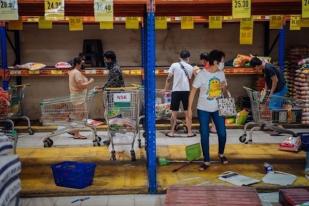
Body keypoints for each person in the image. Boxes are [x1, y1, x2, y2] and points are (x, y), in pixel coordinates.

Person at [188, 50, 228, 171]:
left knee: (222, 133)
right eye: (222, 61)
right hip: (203, 109)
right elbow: (193, 92)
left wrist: (224, 87)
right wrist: (189, 109)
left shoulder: (221, 73)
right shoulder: (202, 74)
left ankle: (221, 154)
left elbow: (225, 90)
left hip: (217, 108)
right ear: (215, 61)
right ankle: (206, 160)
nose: (223, 63)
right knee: (204, 134)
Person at [164, 50, 194, 137]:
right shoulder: (190, 67)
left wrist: (166, 89)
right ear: (188, 58)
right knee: (187, 112)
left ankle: (172, 132)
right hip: (186, 91)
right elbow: (190, 80)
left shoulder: (174, 65)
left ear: (179, 57)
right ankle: (189, 132)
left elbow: (169, 78)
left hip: (176, 91)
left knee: (174, 113)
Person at [68, 56, 94, 139]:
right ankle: (76, 134)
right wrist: (90, 81)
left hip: (77, 97)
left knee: (81, 114)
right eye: (81, 63)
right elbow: (80, 86)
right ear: (77, 64)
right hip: (78, 97)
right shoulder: (76, 73)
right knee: (80, 115)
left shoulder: (72, 72)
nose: (82, 65)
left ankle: (74, 131)